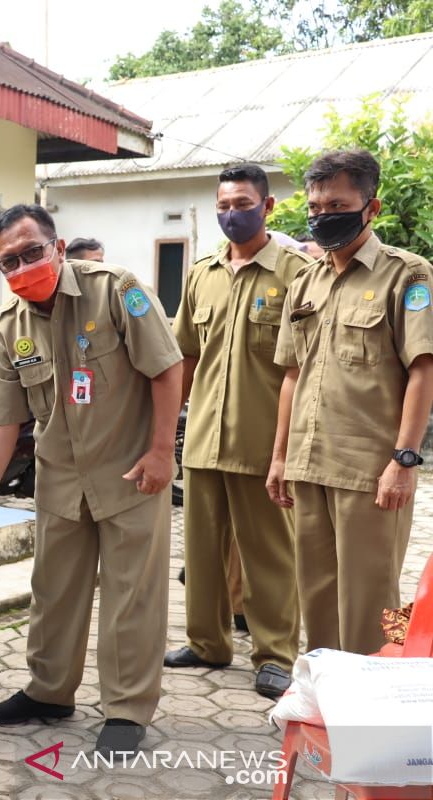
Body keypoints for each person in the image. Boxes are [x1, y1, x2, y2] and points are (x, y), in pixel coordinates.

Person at [0, 203, 182, 755]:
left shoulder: (116, 290)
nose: (25, 265)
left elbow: (167, 367)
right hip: (59, 480)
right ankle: (50, 691)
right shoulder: (10, 329)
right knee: (53, 592)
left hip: (131, 473)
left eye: (33, 251)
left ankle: (126, 709)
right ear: (1, 270)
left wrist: (160, 454)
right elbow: (2, 423)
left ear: (57, 248)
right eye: (11, 260)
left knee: (131, 596)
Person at [269, 149, 433, 655]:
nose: (322, 216)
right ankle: (325, 710)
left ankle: (378, 710)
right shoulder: (305, 282)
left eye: (336, 204)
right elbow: (293, 375)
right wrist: (279, 457)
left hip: (371, 472)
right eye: (315, 207)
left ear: (372, 207)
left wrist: (403, 460)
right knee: (317, 600)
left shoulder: (406, 275)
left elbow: (424, 369)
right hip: (309, 466)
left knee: (373, 602)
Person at [165, 164, 310, 698]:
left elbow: (306, 367)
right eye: (223, 205)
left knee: (268, 553)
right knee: (200, 552)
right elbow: (185, 355)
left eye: (242, 204)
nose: (231, 214)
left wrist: (287, 451)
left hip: (263, 443)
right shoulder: (202, 273)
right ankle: (207, 642)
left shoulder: (296, 273)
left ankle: (274, 655)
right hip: (203, 439)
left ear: (267, 207)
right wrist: (166, 434)